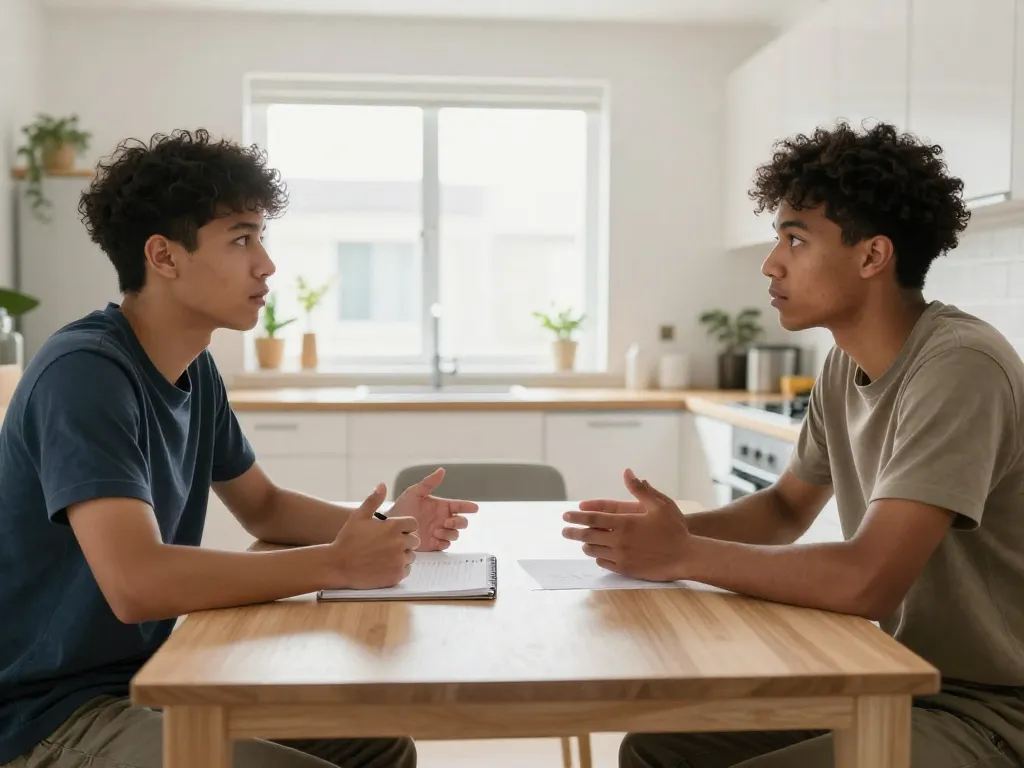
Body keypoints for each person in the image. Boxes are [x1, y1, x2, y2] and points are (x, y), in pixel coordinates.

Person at [0, 128, 479, 768]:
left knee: (379, 747)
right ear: (164, 257)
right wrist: (336, 564)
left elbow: (265, 507)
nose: (267, 264)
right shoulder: (84, 374)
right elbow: (136, 582)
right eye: (241, 239)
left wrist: (391, 526)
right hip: (46, 713)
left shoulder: (193, 369)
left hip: (149, 677)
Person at [564, 121, 1024, 768]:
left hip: (988, 709)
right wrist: (655, 538)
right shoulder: (843, 363)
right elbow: (783, 510)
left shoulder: (960, 367)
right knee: (657, 751)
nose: (770, 263)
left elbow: (869, 580)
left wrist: (683, 554)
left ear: (873, 256)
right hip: (889, 673)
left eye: (796, 240)